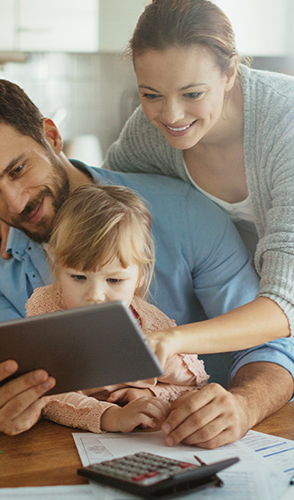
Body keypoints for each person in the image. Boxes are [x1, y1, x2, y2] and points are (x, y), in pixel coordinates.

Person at [0, 0, 294, 382]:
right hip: (253, 318)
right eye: (151, 94)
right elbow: (101, 201)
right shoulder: (152, 132)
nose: (171, 115)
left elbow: (284, 306)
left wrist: (169, 340)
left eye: (192, 93)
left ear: (230, 72)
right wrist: (11, 211)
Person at [0, 76, 294, 449]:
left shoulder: (185, 214)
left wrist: (243, 405)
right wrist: (6, 408)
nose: (14, 203)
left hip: (202, 451)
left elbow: (271, 347)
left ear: (52, 138)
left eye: (18, 169)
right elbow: (16, 391)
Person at [29, 183, 210, 434]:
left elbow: (194, 387)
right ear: (58, 268)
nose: (95, 296)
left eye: (114, 280)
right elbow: (44, 395)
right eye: (78, 277)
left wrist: (150, 392)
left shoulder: (152, 329)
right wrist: (111, 416)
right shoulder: (47, 313)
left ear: (140, 278)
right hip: (65, 443)